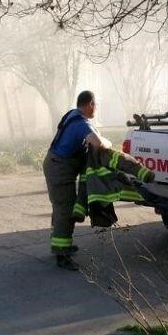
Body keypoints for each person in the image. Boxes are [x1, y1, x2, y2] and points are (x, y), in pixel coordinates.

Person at [43, 90, 111, 271]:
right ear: (90, 104)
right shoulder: (81, 123)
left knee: (61, 207)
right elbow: (98, 143)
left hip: (56, 164)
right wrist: (108, 143)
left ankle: (59, 244)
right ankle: (62, 254)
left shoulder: (72, 115)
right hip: (59, 168)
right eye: (96, 105)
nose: (96, 108)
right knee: (65, 209)